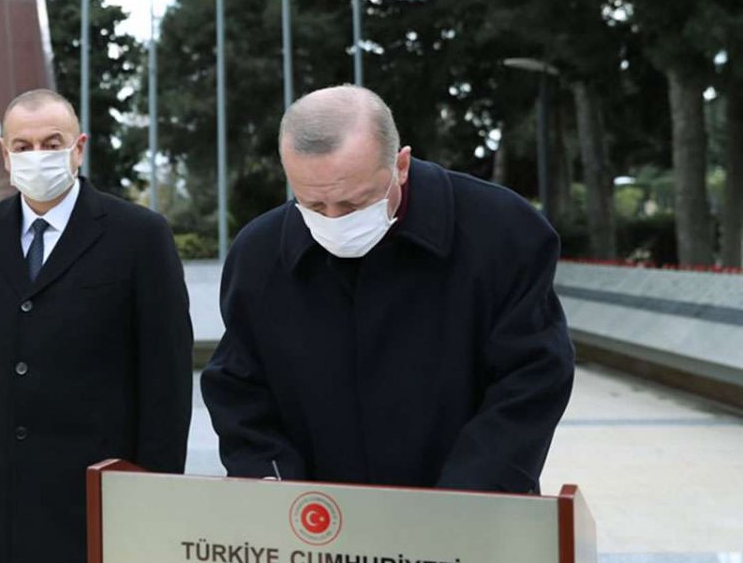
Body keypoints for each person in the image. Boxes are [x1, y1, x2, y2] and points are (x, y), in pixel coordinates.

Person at [202, 84, 574, 494]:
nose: (333, 219)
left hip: (473, 512)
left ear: (401, 164)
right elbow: (238, 387)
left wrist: (468, 496)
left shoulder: (504, 232)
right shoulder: (259, 253)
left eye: (354, 203)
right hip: (316, 524)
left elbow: (534, 377)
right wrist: (276, 487)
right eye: (312, 204)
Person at [0, 89, 193, 562]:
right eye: (23, 146)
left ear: (79, 148)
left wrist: (158, 493)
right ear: (5, 155)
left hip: (100, 496)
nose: (38, 156)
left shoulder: (139, 235)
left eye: (53, 143)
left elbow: (166, 379)